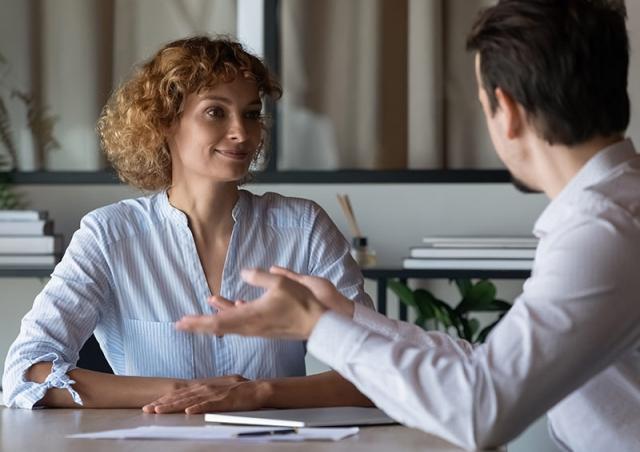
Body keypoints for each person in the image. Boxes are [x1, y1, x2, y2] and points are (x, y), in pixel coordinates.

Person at [174, 1, 640, 450]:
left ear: (507, 110)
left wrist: (316, 328)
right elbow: (489, 368)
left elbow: (480, 409)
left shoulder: (604, 230)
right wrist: (348, 317)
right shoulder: (612, 212)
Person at [2, 36, 373, 413]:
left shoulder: (304, 228)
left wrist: (259, 393)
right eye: (216, 112)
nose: (241, 133)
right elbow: (24, 373)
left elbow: (375, 367)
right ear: (164, 122)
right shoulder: (109, 235)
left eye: (250, 113)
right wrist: (186, 389)